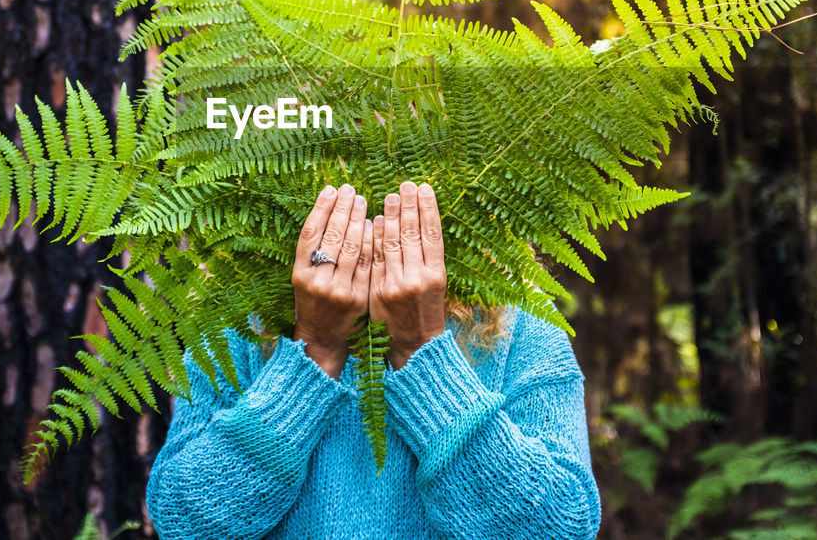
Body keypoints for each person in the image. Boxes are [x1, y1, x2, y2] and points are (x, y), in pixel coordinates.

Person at [146, 181, 602, 539]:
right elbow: (185, 520)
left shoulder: (514, 324)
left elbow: (560, 526)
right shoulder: (243, 321)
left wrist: (423, 349)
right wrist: (315, 350)